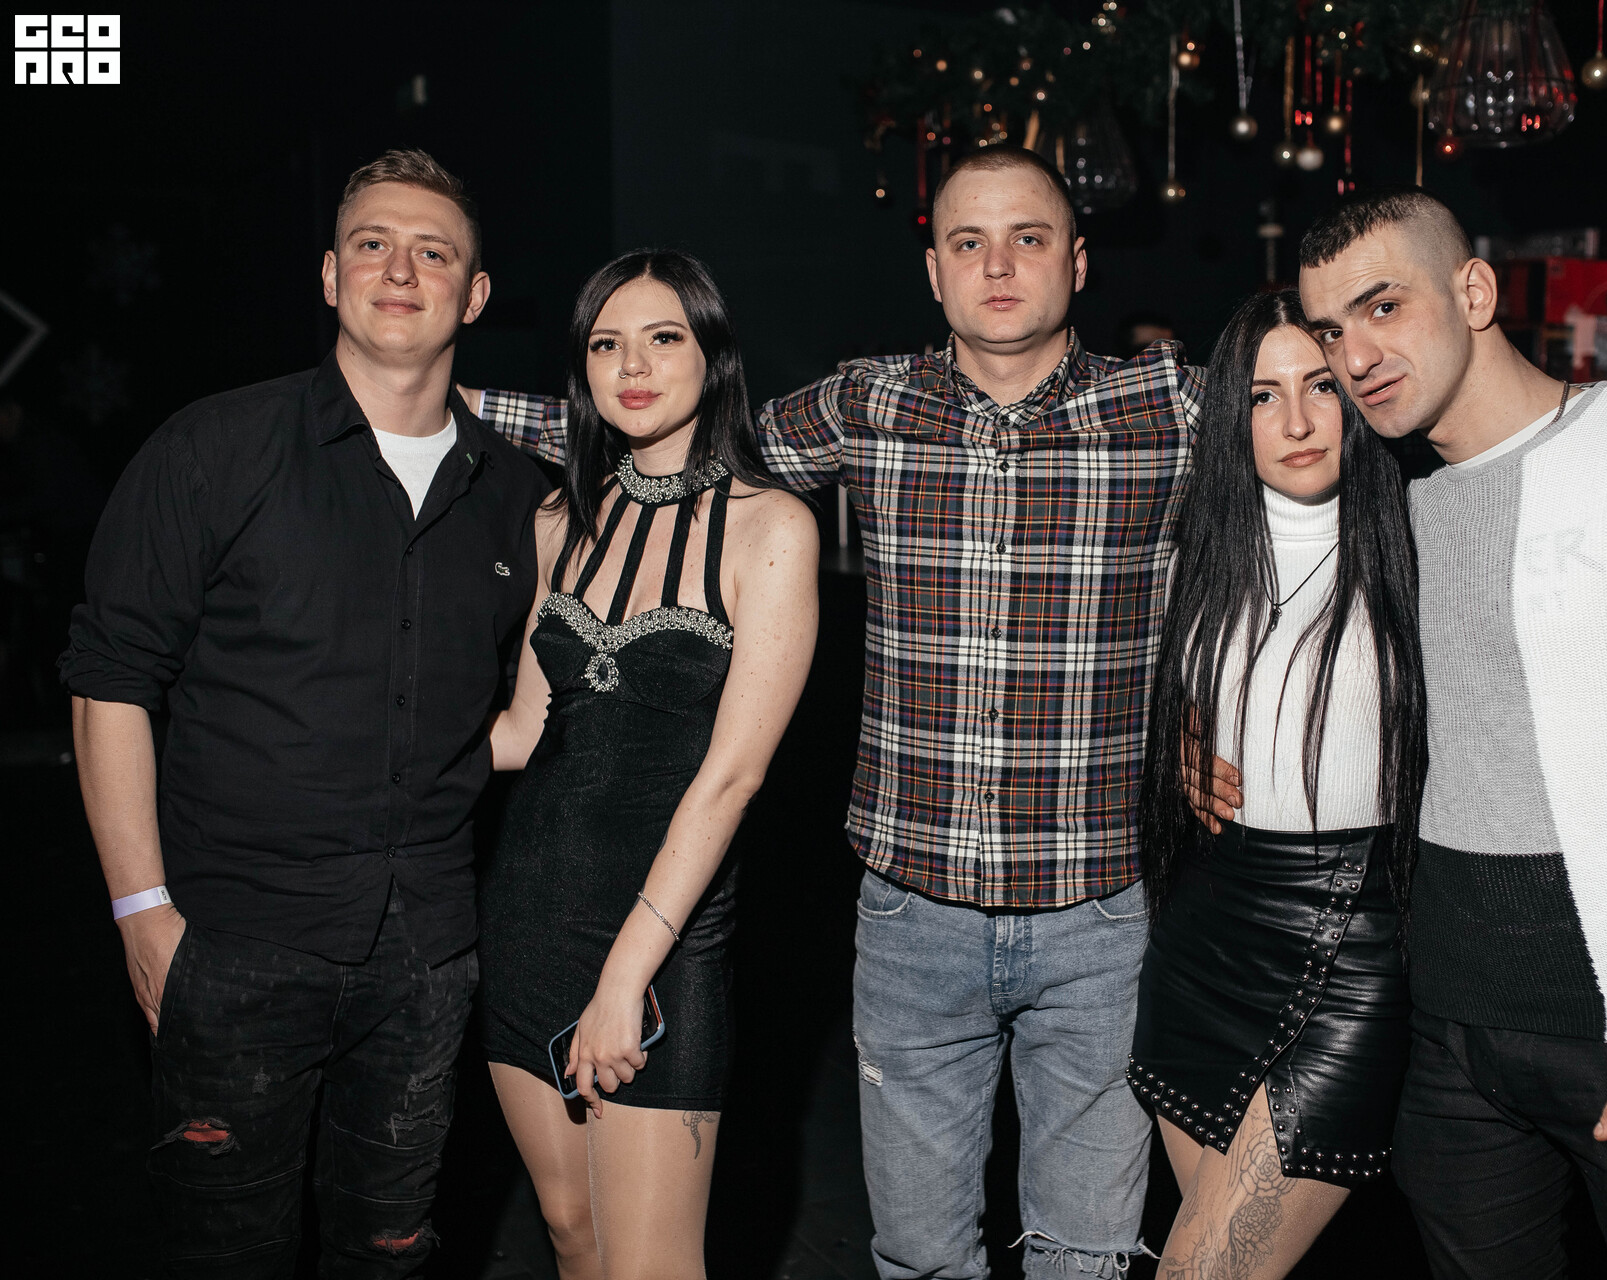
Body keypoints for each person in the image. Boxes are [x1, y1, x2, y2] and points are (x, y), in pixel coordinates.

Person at [476, 143, 1200, 1279]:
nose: (997, 265)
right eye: (967, 241)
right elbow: (677, 428)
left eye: (1028, 238)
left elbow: (1293, 531)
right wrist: (429, 397)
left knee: (1086, 1255)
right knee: (918, 1255)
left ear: (1078, 258)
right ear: (933, 269)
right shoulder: (872, 401)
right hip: (912, 914)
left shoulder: (1172, 406)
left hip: (1097, 912)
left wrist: (1218, 713)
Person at [1183, 187, 1607, 1276]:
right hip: (1444, 1036)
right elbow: (1255, 592)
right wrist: (1196, 730)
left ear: (1473, 290)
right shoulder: (1389, 496)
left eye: (1384, 306)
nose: (1356, 356)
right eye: (1332, 330)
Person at [60, 149, 549, 1276]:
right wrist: (142, 914)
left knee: (390, 1255)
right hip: (232, 948)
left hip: (426, 956)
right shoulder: (214, 449)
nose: (400, 270)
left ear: (474, 295)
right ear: (330, 276)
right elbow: (110, 680)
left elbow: (504, 717)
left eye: (433, 252)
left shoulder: (518, 494)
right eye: (372, 244)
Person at [478, 249, 817, 1279]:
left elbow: (733, 779)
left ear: (713, 355)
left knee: (651, 1267)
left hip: (661, 944)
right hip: (527, 916)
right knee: (571, 1234)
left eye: (663, 338)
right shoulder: (561, 521)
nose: (632, 365)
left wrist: (627, 973)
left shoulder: (770, 527)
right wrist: (356, 732)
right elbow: (522, 731)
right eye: (605, 344)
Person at [1133, 288, 1425, 1279]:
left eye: (1321, 386)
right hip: (1204, 939)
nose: (1296, 420)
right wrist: (1181, 738)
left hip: (1349, 956)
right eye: (1263, 396)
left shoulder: (1422, 540)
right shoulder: (1196, 557)